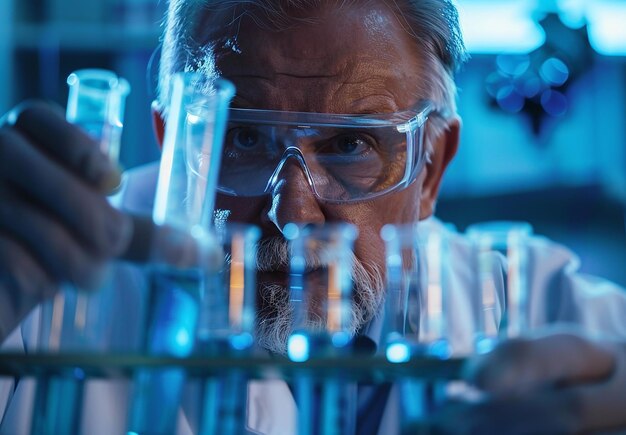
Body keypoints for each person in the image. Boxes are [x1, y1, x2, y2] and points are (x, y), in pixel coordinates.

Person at [1, 0, 626, 433]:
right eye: (243, 139)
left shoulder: (552, 317)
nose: (295, 214)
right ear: (173, 152)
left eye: (352, 144)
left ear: (431, 169)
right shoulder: (37, 293)